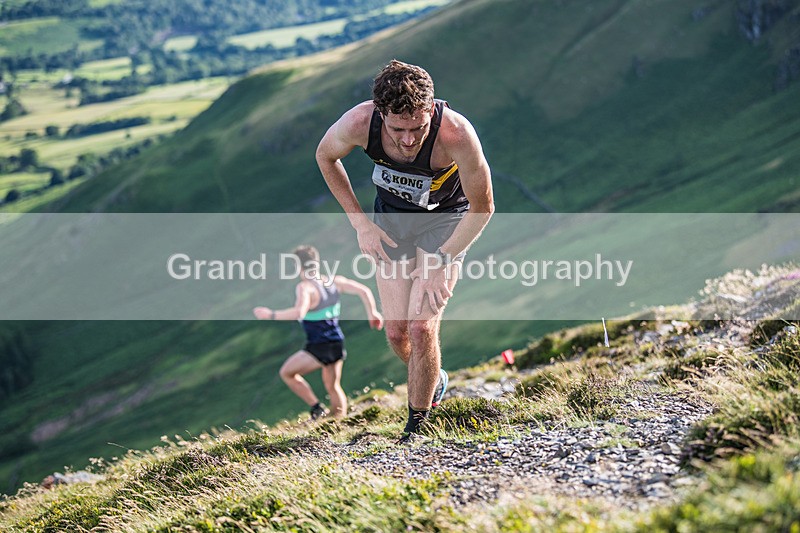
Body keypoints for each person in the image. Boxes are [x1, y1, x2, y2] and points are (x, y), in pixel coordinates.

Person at [315, 60, 494, 440]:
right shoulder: (359, 122)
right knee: (398, 332)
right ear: (380, 114)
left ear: (430, 110)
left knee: (421, 326)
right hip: (393, 222)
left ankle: (417, 426)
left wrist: (442, 261)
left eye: (418, 128)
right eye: (398, 130)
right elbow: (325, 156)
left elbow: (483, 207)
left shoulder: (456, 133)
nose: (409, 140)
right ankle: (434, 378)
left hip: (446, 221)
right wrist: (361, 224)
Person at [253, 245, 383, 419]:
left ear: (298, 266)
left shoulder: (305, 288)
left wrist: (270, 314)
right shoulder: (334, 281)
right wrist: (373, 312)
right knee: (333, 386)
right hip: (336, 341)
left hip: (319, 344)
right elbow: (364, 290)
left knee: (287, 373)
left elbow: (299, 312)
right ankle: (339, 420)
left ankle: (316, 408)